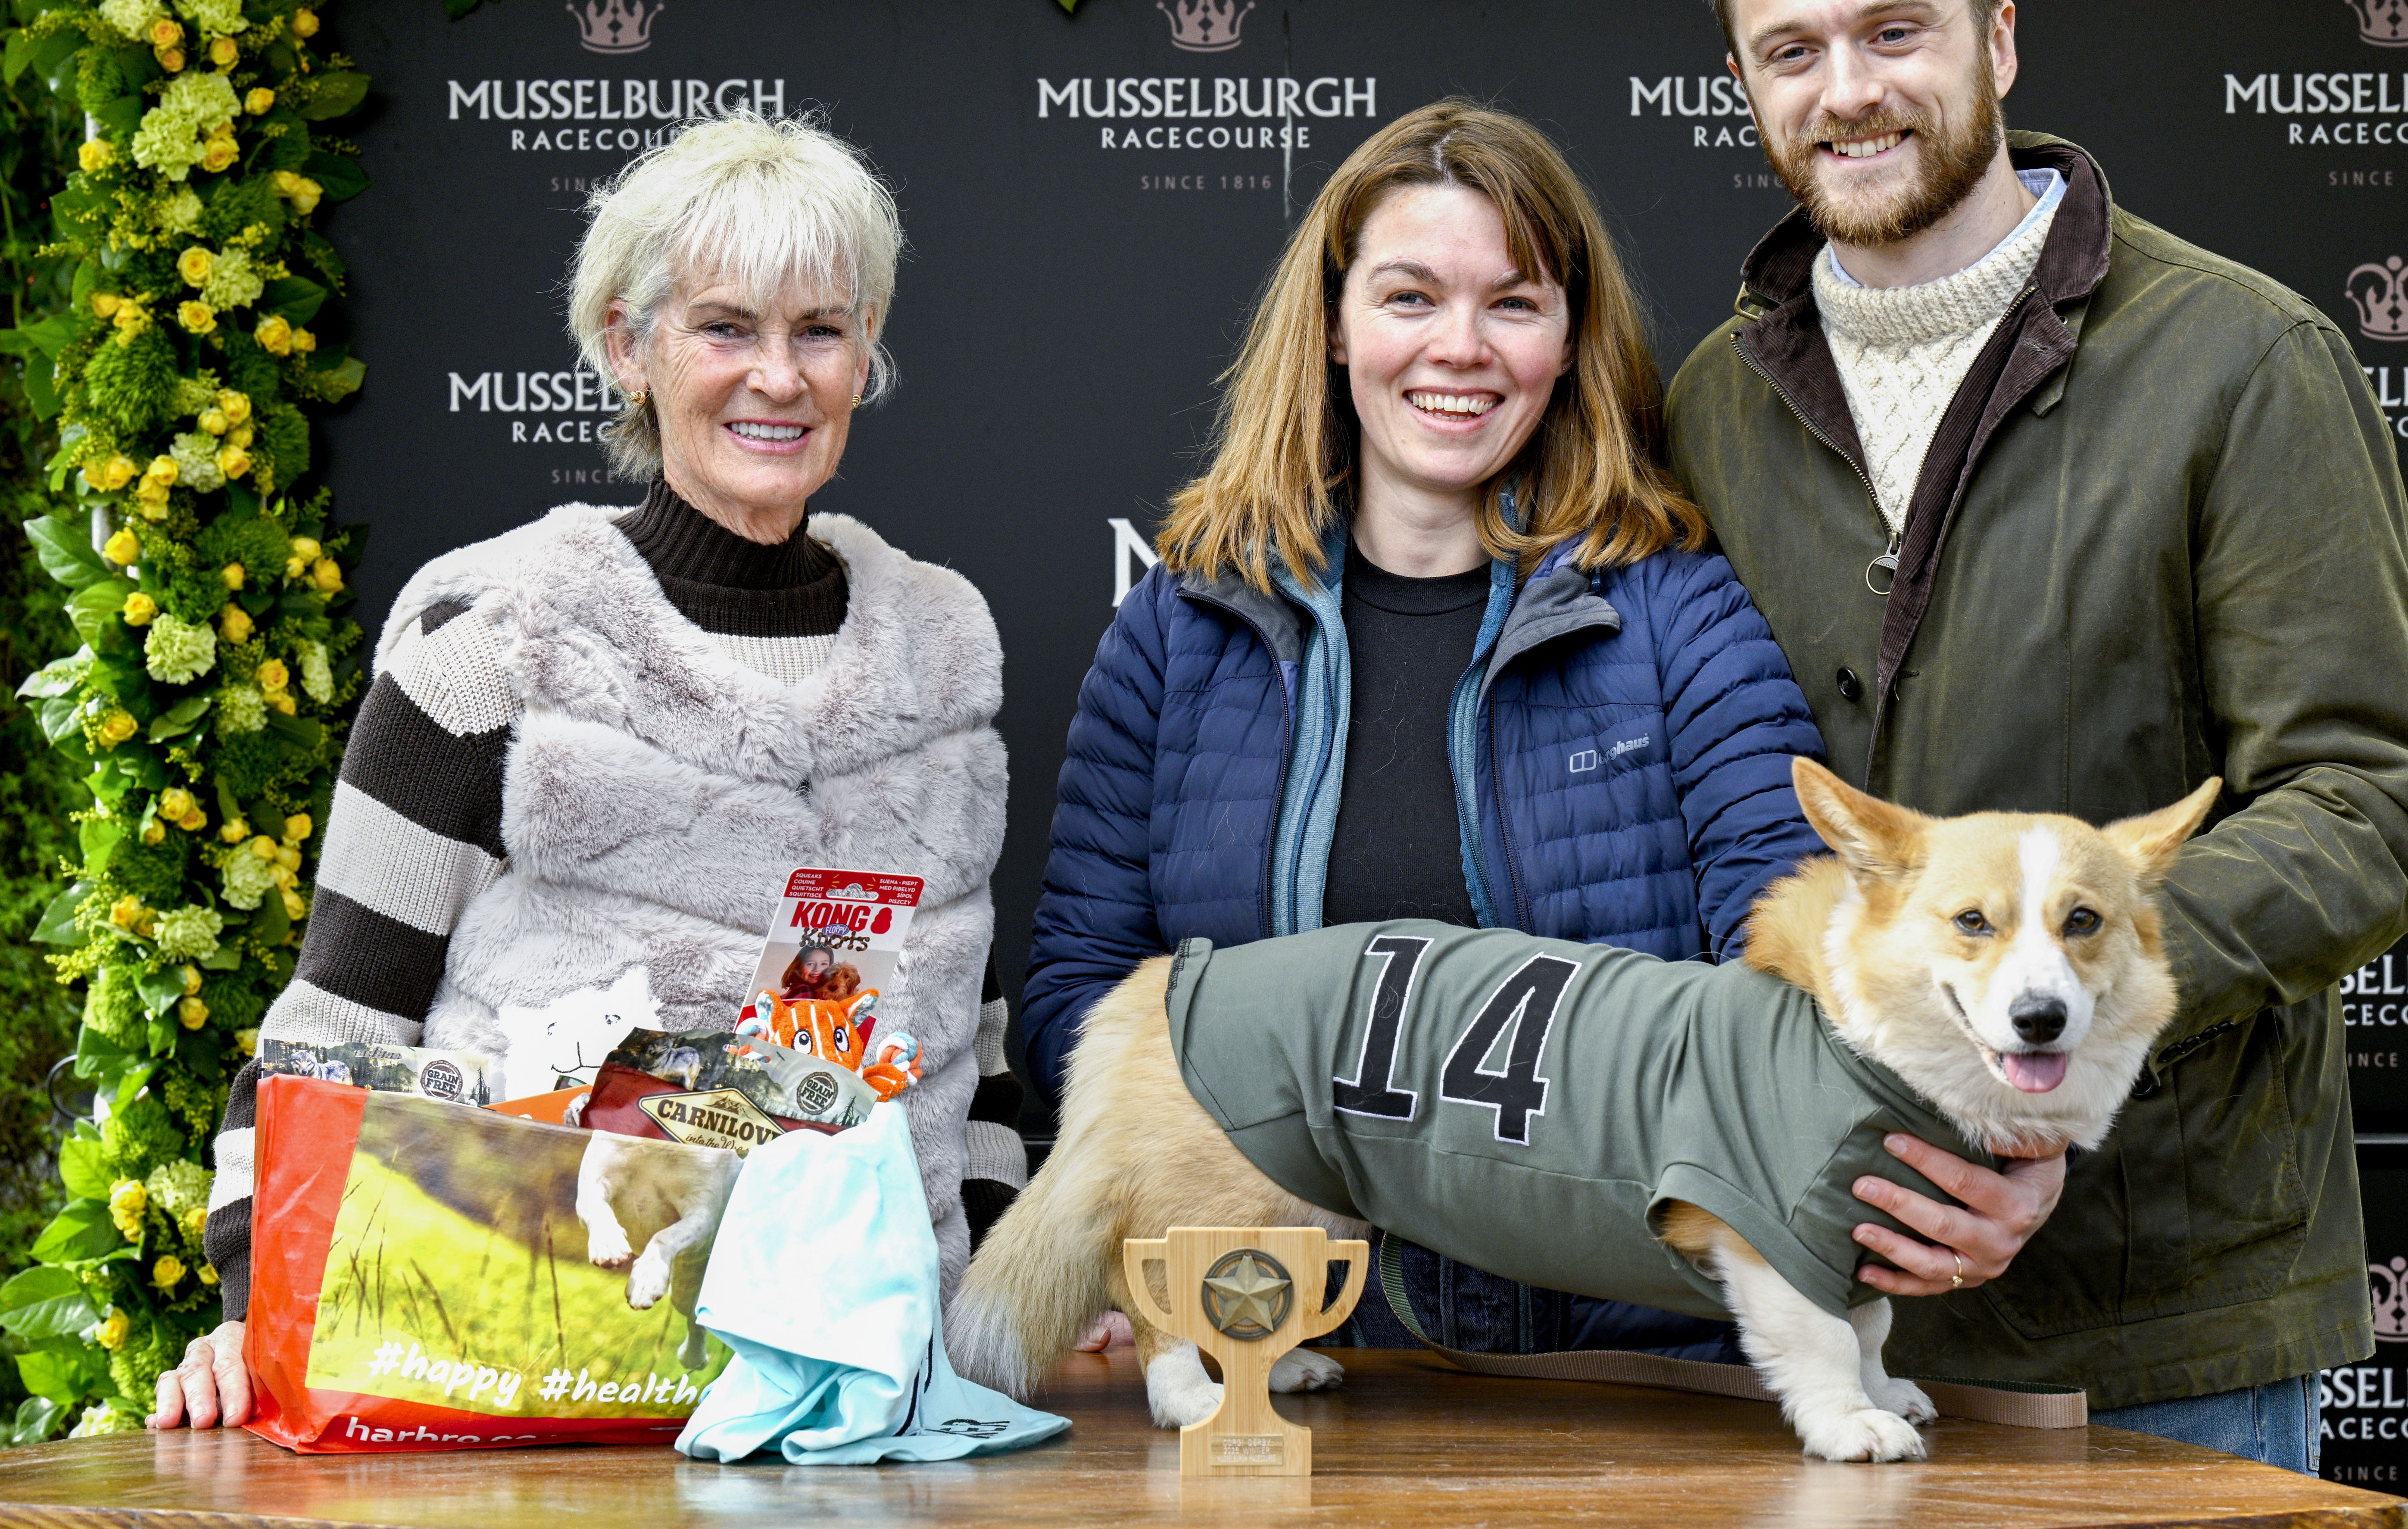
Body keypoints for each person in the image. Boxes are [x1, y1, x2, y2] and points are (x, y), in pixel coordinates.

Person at [1667, 0, 2408, 1472]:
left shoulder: (2244, 362)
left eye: (1897, 31)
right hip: (1823, 1298)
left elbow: (2370, 800)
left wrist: (2076, 1024)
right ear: (1744, 79)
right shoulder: (1706, 408)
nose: (1847, 91)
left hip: (2160, 1320)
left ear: (2001, 40)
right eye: (1790, 51)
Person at [153, 114, 1029, 1429]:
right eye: (725, 328)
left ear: (866, 358)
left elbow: (976, 1061)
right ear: (630, 348)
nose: (778, 379)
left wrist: (1004, 1312)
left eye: (821, 332)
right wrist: (249, 1318)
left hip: (880, 1410)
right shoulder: (492, 643)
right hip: (535, 1381)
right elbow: (334, 1031)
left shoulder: (939, 654)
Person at [1023, 100, 1836, 1359]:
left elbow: (1788, 972)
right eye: (1409, 298)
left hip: (1634, 1376)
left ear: (1569, 340)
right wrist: (1150, 1231)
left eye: (1513, 302)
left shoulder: (1678, 611)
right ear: (1336, 326)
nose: (1461, 348)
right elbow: (1080, 997)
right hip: (1278, 1359)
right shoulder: (1179, 634)